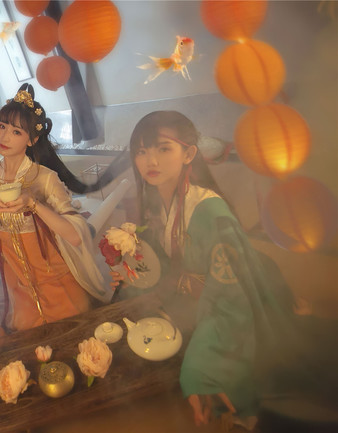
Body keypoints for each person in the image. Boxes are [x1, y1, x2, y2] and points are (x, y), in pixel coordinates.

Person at [110, 110, 336, 430]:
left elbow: (231, 301)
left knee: (231, 376)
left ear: (189, 154)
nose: (151, 161)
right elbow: (166, 262)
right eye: (142, 151)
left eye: (163, 148)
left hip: (236, 296)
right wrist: (134, 272)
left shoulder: (211, 214)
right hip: (197, 293)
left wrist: (200, 368)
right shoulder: (157, 198)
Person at [0, 66, 112, 332]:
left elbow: (76, 236)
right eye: (2, 126)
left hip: (55, 278)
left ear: (32, 139)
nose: (5, 136)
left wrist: (33, 204)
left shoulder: (45, 178)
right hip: (18, 285)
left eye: (16, 132)